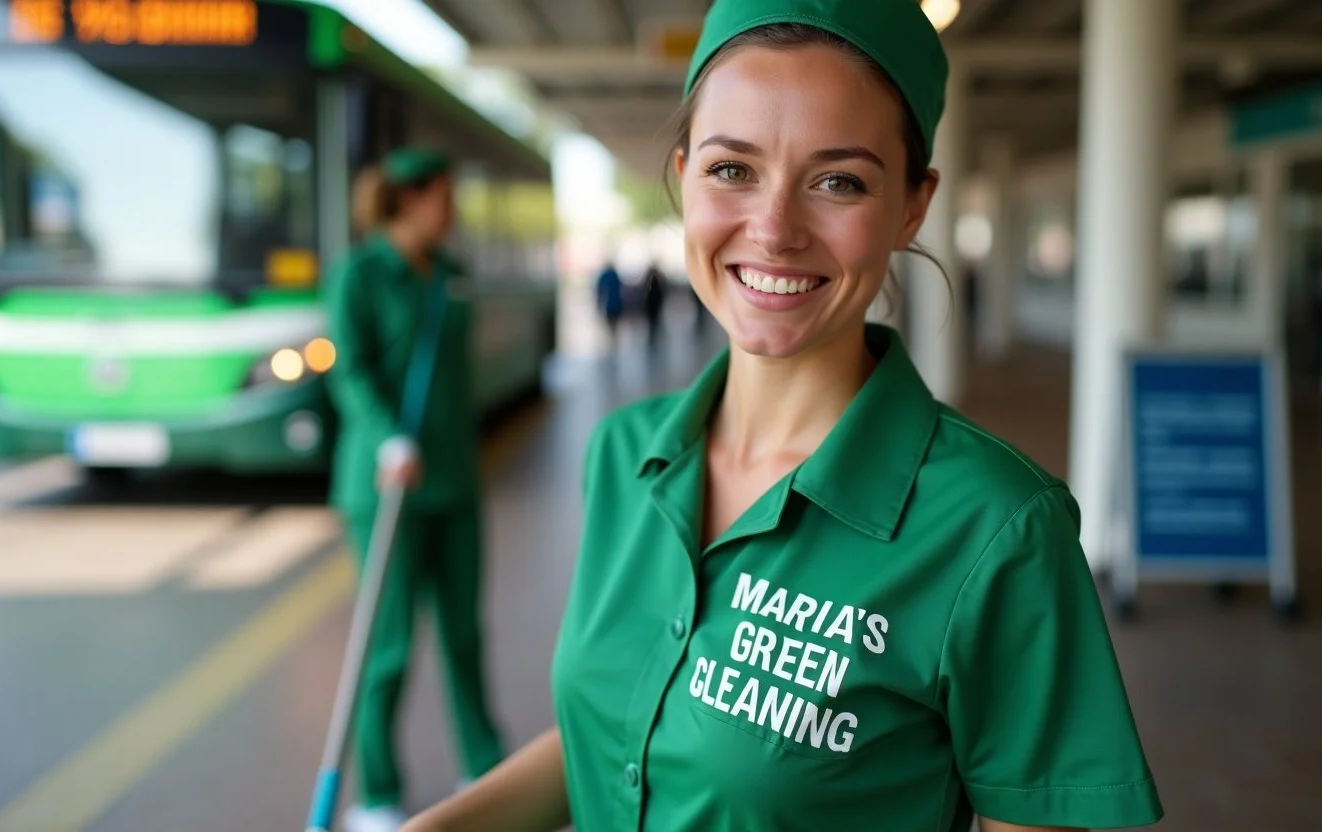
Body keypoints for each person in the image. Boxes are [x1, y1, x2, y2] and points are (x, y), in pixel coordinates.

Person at [404, 1, 1163, 830]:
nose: (772, 230)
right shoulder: (625, 453)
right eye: (733, 169)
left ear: (912, 207)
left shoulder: (994, 529)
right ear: (684, 172)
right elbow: (622, 732)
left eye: (838, 181)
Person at [324, 146, 506, 832]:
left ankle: (485, 766)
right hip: (385, 489)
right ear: (411, 198)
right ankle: (376, 793)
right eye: (445, 197)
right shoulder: (360, 276)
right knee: (390, 643)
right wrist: (384, 437)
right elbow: (350, 372)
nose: (453, 211)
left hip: (456, 483)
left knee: (465, 634)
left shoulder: (451, 276)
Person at [595, 260, 624, 341]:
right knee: (614, 323)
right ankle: (613, 336)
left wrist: (599, 303)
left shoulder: (605, 276)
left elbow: (600, 291)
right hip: (616, 304)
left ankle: (612, 336)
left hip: (610, 305)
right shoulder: (615, 275)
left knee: (611, 323)